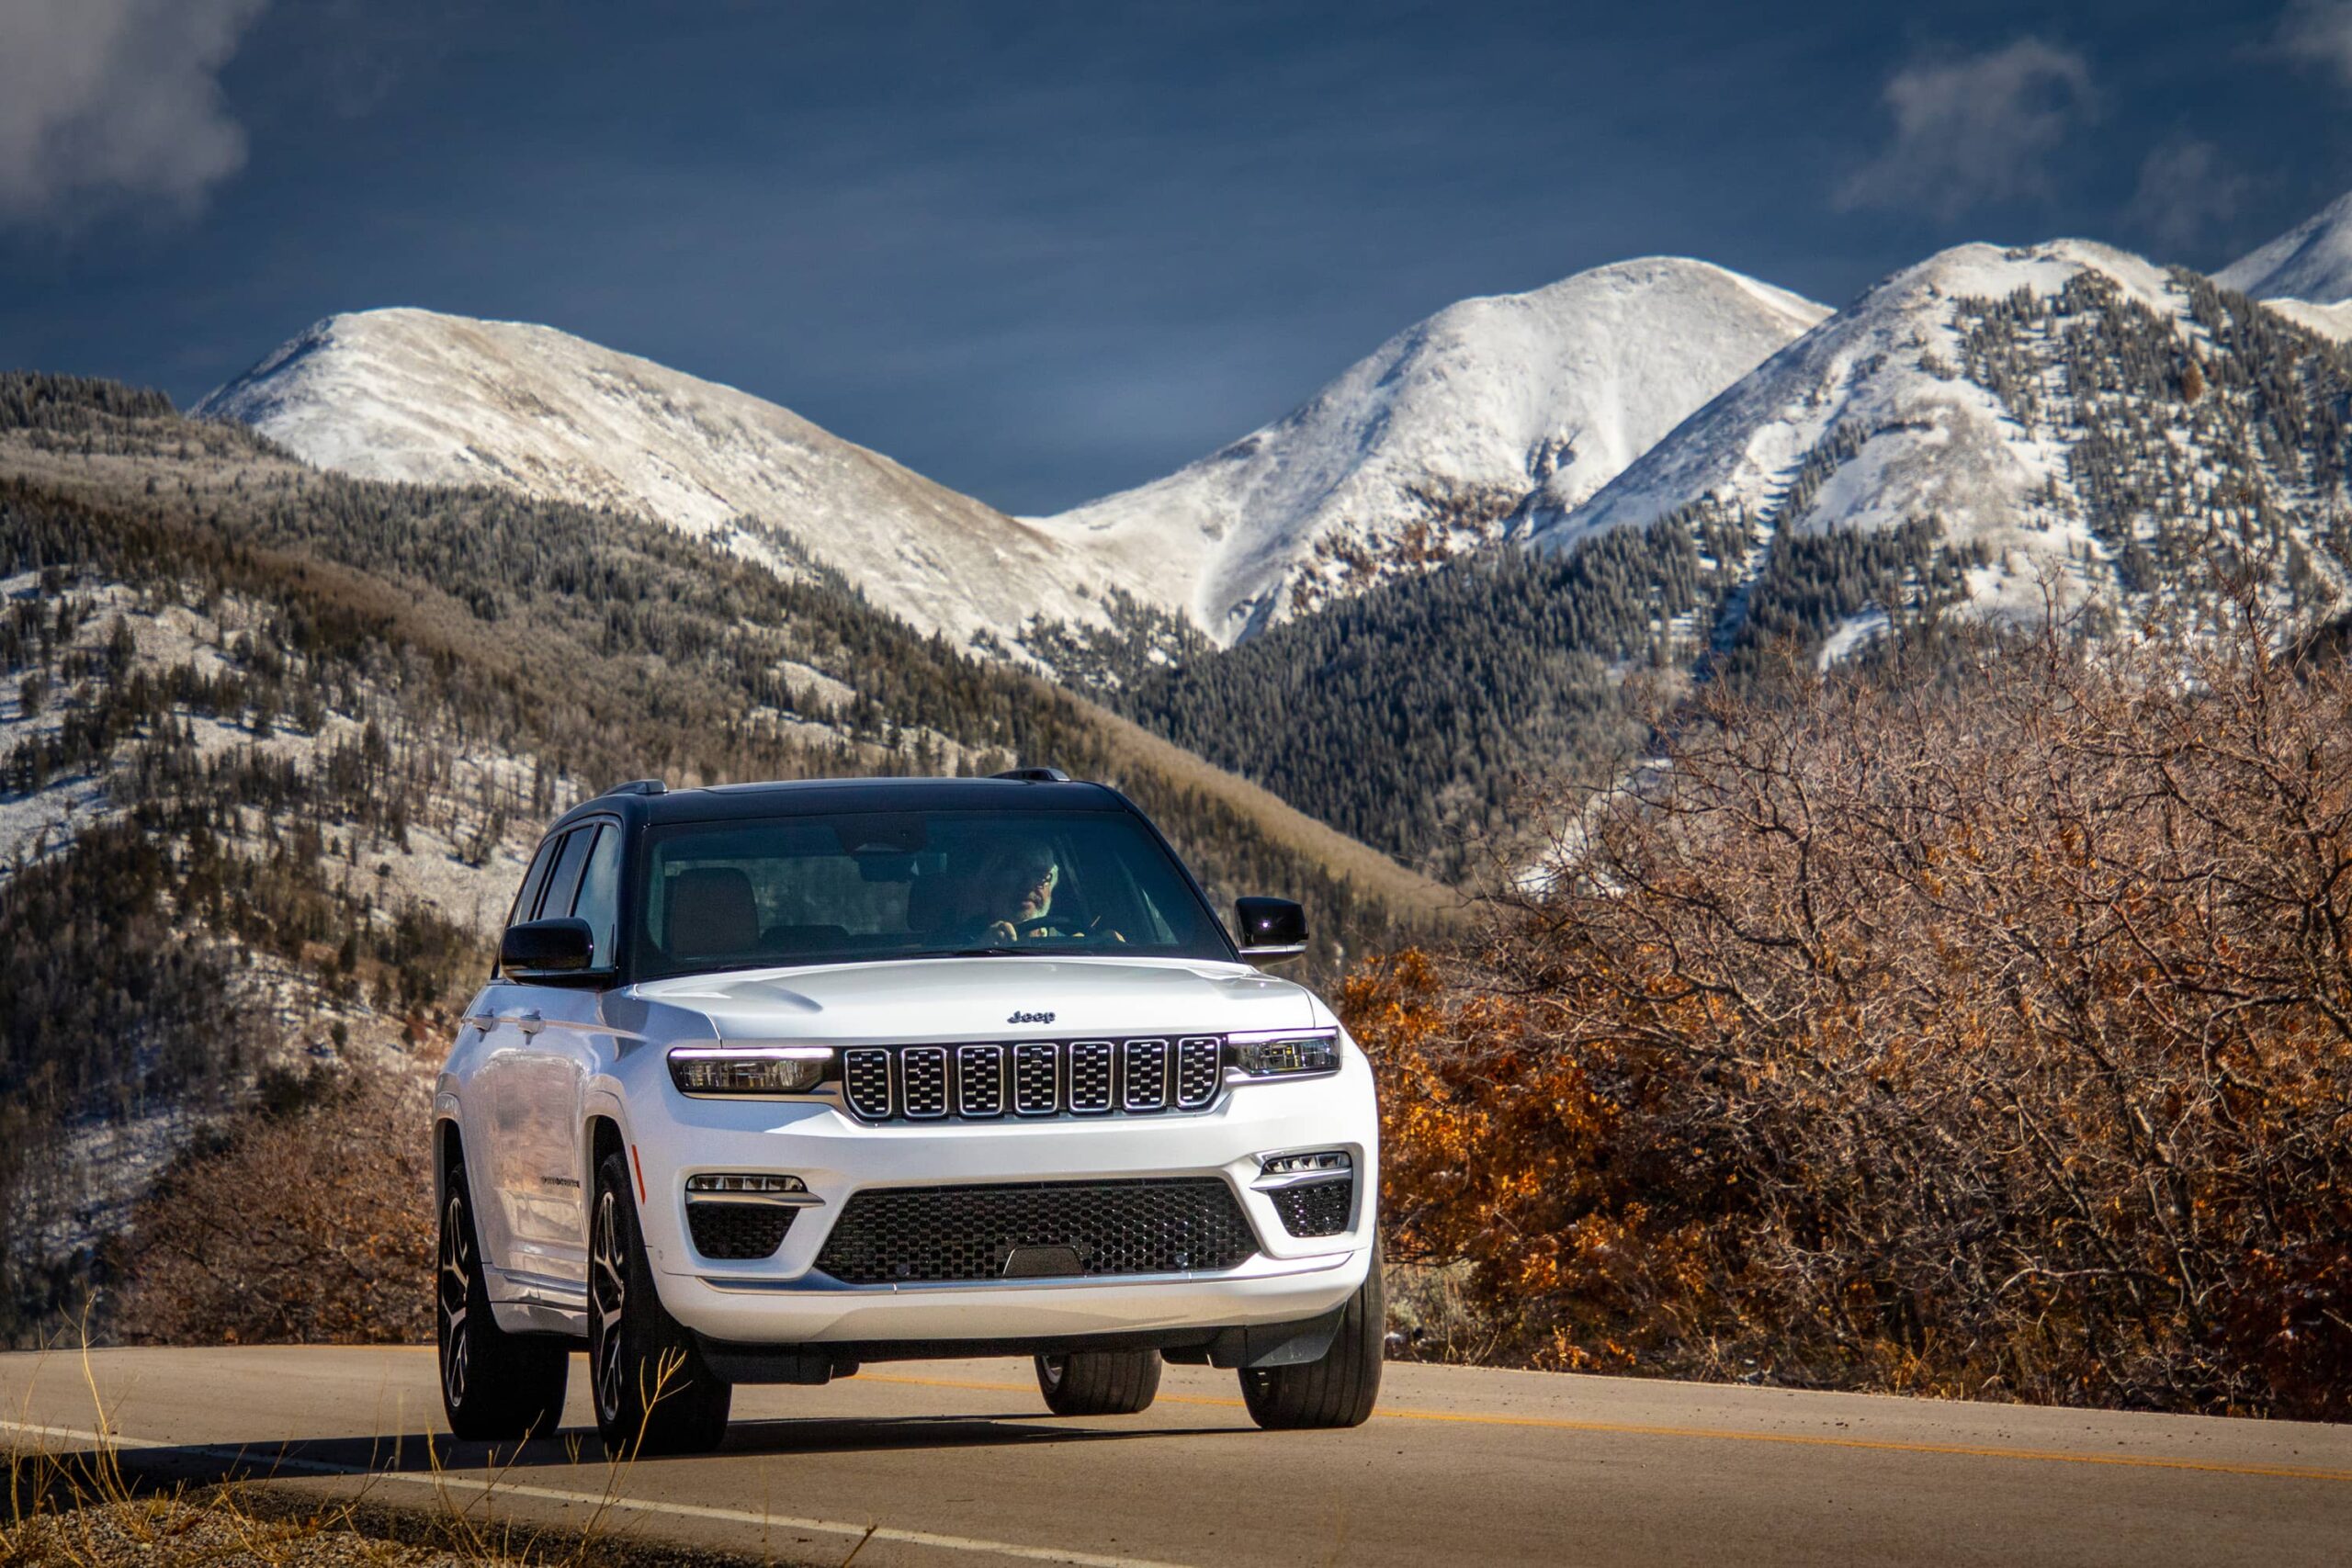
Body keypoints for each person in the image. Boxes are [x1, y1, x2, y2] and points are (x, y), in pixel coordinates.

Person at [959, 838, 1121, 946]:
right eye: (1015, 873)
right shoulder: (956, 940)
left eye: (1041, 876)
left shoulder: (1074, 946)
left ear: (1052, 886)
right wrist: (978, 950)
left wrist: (1108, 947)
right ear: (991, 882)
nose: (1029, 884)